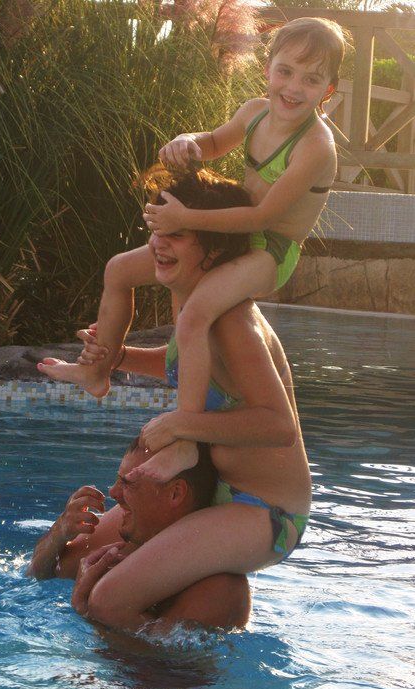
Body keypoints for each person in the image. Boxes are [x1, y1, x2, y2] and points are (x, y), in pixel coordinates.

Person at [37, 17, 346, 481]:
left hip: (270, 251)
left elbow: (262, 219)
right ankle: (97, 369)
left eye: (311, 79)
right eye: (285, 71)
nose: (293, 87)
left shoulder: (316, 147)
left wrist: (185, 219)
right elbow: (214, 143)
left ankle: (186, 437)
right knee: (119, 269)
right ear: (267, 68)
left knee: (196, 311)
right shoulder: (254, 112)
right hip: (231, 232)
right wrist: (188, 142)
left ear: (328, 91)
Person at [59, 168, 312, 635]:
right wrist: (117, 357)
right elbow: (189, 366)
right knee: (71, 561)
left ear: (212, 251)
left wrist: (182, 425)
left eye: (176, 236)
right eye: (158, 231)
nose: (159, 245)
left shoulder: (232, 320)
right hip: (208, 489)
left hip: (261, 510)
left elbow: (279, 426)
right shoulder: (191, 298)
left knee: (108, 600)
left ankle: (144, 677)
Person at [27, 438, 251, 630]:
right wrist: (59, 532)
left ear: (175, 493)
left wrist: (87, 614)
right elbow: (39, 573)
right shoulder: (129, 524)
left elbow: (157, 666)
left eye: (128, 483)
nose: (113, 492)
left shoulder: (219, 590)